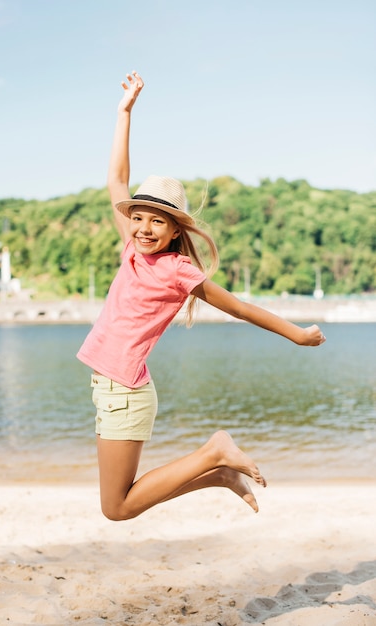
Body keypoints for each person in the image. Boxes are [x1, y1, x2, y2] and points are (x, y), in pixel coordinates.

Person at [77, 71, 326, 521]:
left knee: (116, 508)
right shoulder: (132, 247)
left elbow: (239, 307)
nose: (144, 227)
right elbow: (116, 178)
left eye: (158, 221)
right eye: (139, 217)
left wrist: (297, 335)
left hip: (125, 391)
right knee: (118, 502)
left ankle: (215, 452)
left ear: (176, 229)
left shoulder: (178, 270)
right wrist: (124, 112)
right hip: (108, 387)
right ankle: (218, 473)